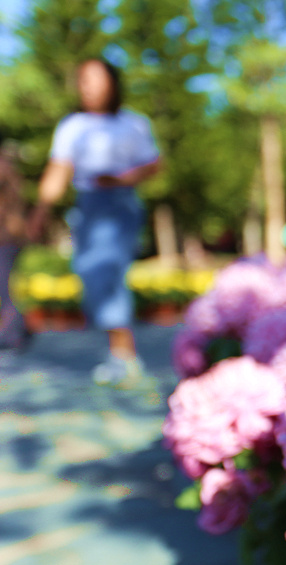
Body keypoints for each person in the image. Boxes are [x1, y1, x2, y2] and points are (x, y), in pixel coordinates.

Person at [29, 58, 161, 385]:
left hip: (121, 203)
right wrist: (38, 214)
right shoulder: (73, 126)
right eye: (83, 80)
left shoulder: (133, 124)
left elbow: (152, 164)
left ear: (113, 83)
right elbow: (58, 173)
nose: (87, 86)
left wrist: (120, 179)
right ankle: (119, 350)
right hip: (88, 204)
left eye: (95, 79)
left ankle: (123, 354)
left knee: (106, 269)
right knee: (91, 272)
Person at [0, 131, 28, 349]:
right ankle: (16, 330)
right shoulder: (10, 168)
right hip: (11, 235)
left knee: (4, 286)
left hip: (5, 236)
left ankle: (12, 334)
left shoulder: (2, 168)